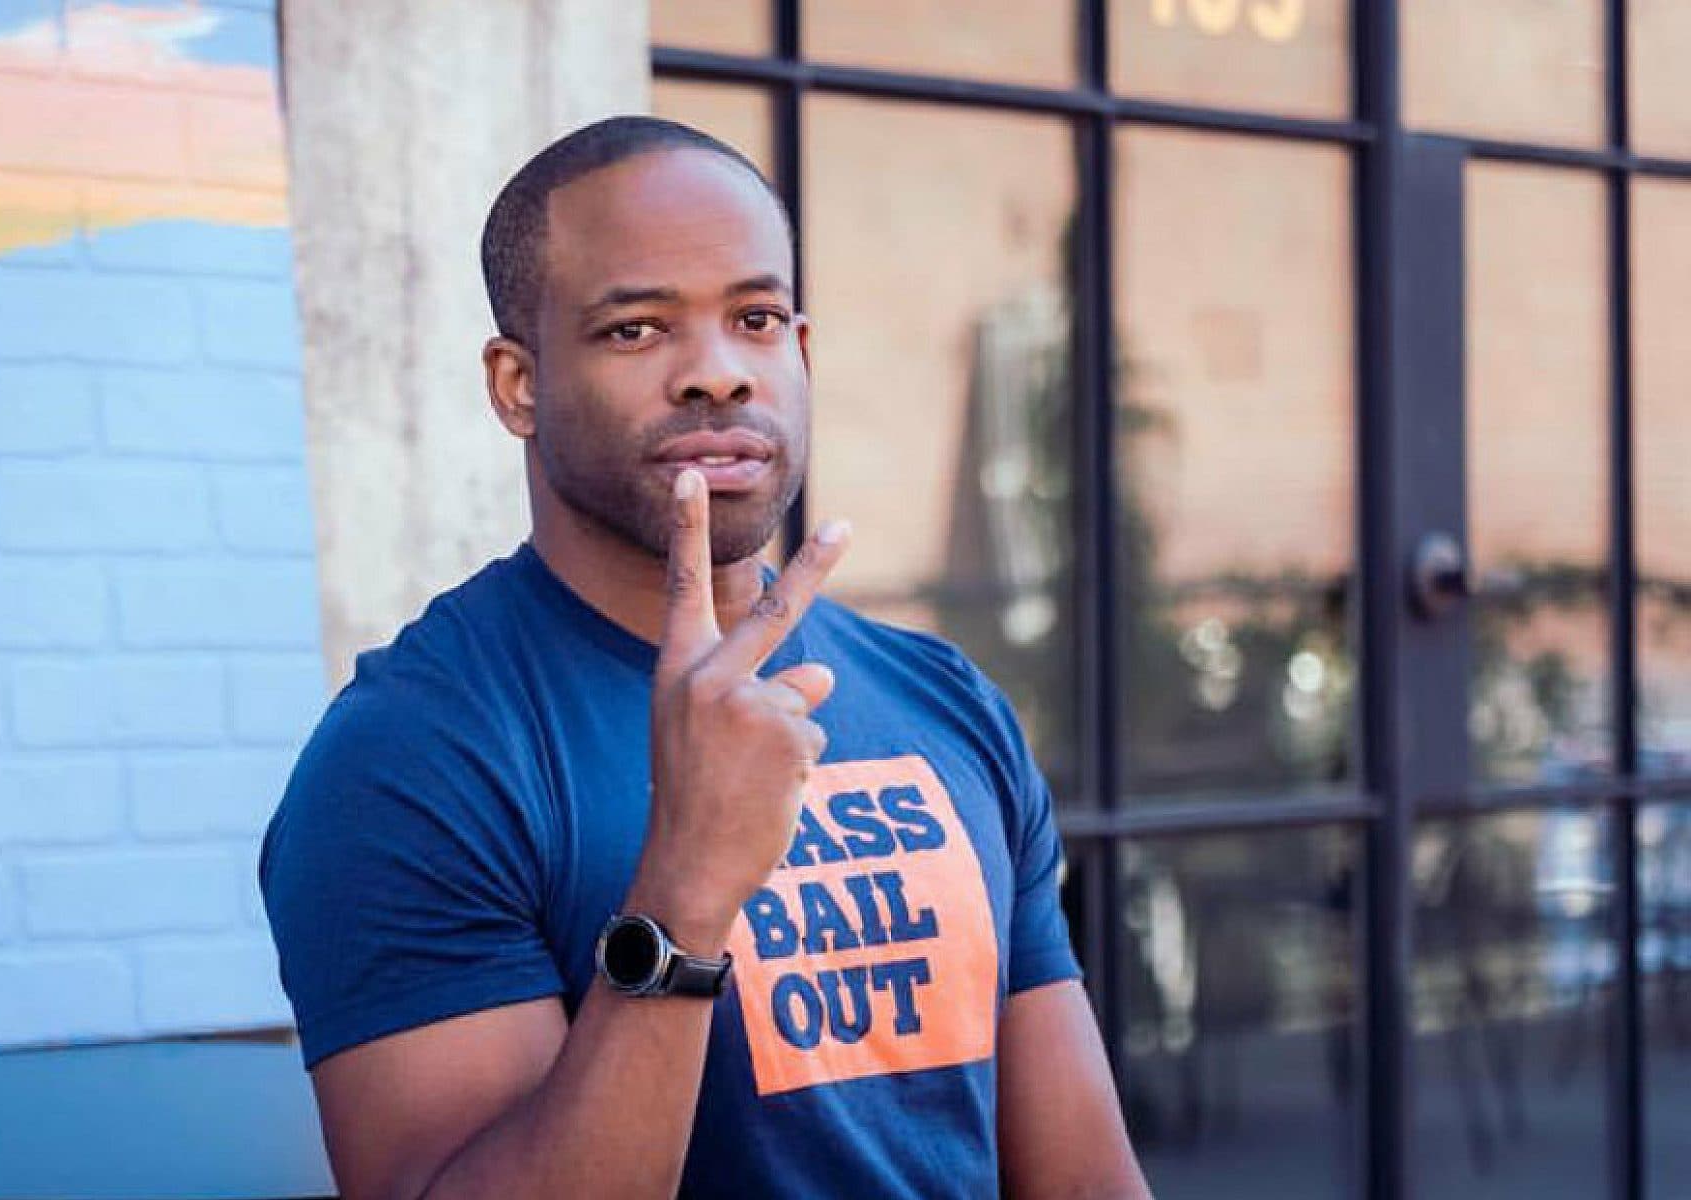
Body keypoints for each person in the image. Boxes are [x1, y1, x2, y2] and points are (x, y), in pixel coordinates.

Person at [259, 115, 1149, 1200]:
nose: (717, 375)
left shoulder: (946, 702)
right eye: (636, 329)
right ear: (518, 385)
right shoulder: (412, 759)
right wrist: (685, 886)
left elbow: (1086, 1181)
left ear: (800, 351)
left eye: (755, 319)